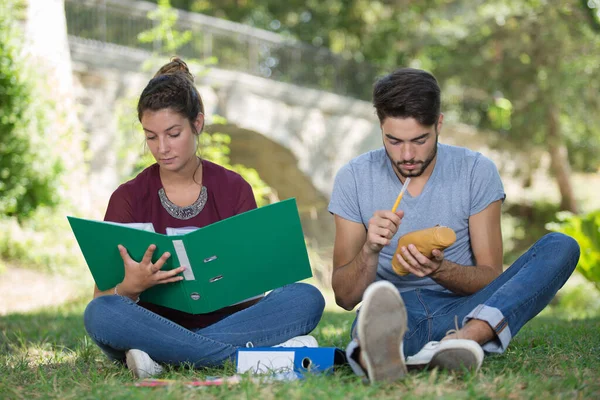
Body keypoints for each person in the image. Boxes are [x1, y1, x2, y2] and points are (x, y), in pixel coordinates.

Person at [328, 68, 580, 383]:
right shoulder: (353, 178)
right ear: (381, 127)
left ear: (439, 124)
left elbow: (490, 278)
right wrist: (370, 249)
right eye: (393, 141)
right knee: (376, 322)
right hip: (393, 311)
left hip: (466, 308)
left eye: (419, 140)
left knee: (561, 246)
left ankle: (463, 339)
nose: (407, 155)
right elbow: (345, 297)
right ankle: (383, 354)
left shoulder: (476, 171)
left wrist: (439, 269)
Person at [84, 58, 325, 379]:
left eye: (173, 134)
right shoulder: (128, 197)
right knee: (101, 313)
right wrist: (129, 288)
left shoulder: (233, 188)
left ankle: (161, 360)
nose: (162, 148)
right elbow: (103, 297)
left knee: (305, 297)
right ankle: (257, 357)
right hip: (153, 325)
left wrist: (237, 279)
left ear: (197, 123)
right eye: (151, 136)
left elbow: (258, 288)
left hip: (230, 321)